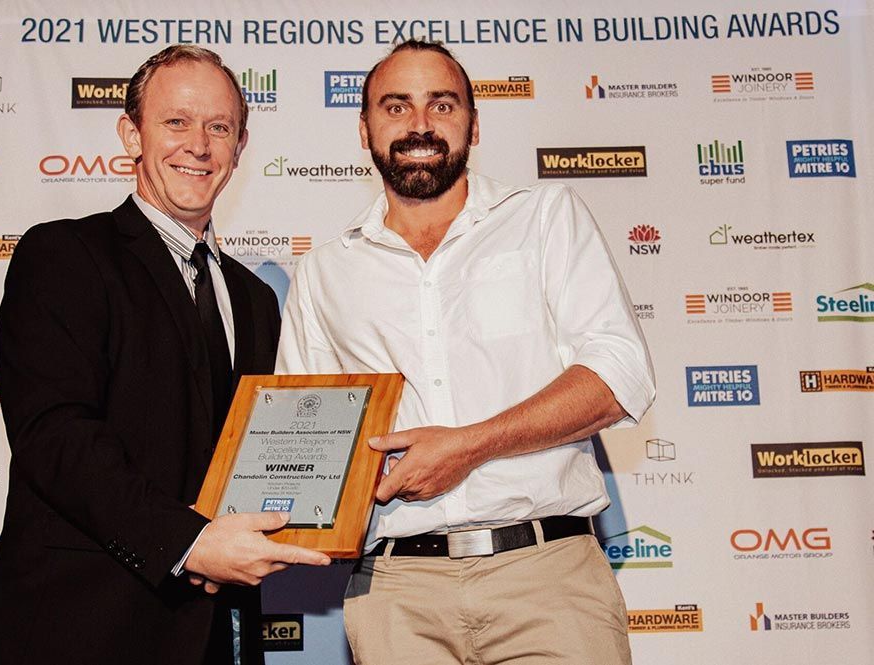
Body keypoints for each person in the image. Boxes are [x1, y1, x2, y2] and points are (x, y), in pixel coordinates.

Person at [276, 40, 655, 664]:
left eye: (441, 105)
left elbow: (617, 376)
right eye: (395, 107)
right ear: (365, 127)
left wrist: (468, 444)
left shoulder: (545, 218)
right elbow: (307, 438)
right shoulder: (322, 272)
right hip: (396, 592)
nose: (419, 125)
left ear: (473, 124)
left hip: (548, 578)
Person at [0, 45, 330, 665]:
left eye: (219, 127)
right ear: (131, 134)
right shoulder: (65, 255)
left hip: (209, 635)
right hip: (73, 629)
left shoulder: (256, 297)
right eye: (176, 122)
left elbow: (260, 450)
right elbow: (56, 437)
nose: (199, 144)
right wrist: (189, 542)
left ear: (239, 148)